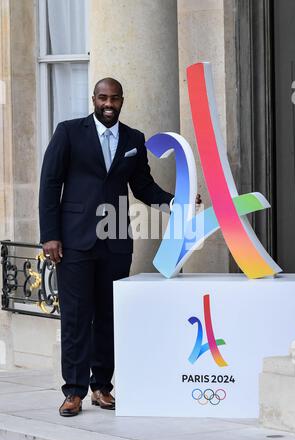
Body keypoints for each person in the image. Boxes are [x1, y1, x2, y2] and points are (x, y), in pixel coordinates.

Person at [39, 77, 201, 417]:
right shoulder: (68, 132)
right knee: (76, 317)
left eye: (114, 98)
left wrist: (176, 201)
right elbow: (50, 185)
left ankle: (102, 387)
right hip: (74, 241)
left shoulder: (133, 139)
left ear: (122, 100)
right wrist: (50, 236)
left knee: (109, 317)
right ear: (94, 99)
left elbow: (142, 186)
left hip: (114, 241)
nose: (108, 104)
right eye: (102, 98)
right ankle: (74, 391)